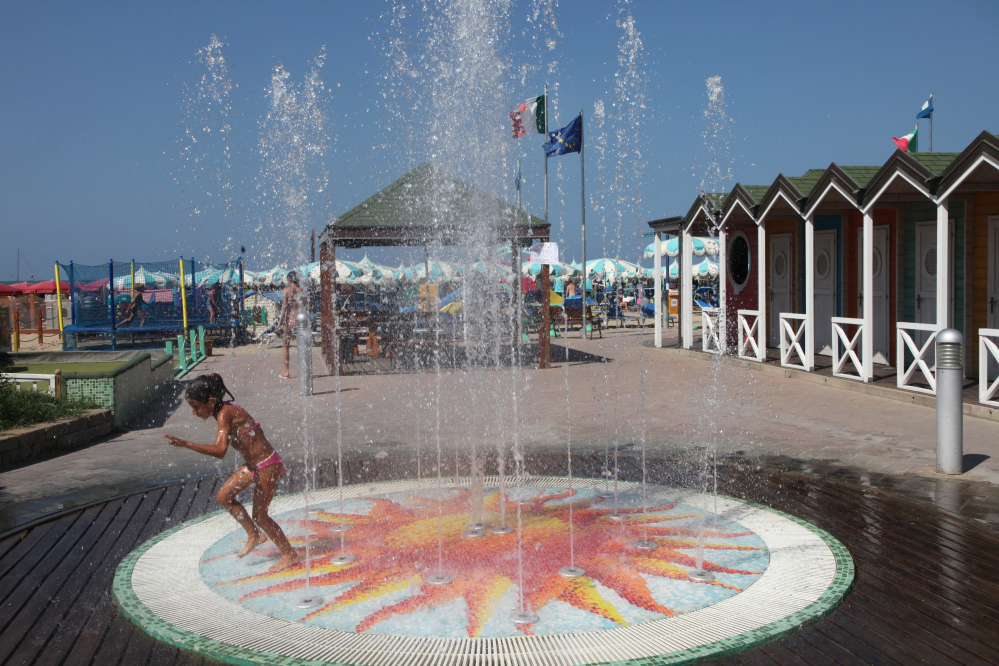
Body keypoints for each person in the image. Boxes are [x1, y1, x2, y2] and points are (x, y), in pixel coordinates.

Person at [165, 373, 300, 571]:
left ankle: (290, 554)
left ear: (211, 401)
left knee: (261, 515)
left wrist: (187, 444)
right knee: (224, 496)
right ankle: (254, 534)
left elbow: (220, 451)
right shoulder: (221, 412)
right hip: (255, 465)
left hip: (267, 466)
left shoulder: (224, 414)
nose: (194, 412)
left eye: (196, 407)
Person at [279, 272, 303, 379]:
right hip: (299, 321)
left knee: (285, 346)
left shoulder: (286, 291)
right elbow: (305, 306)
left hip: (289, 322)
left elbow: (284, 308)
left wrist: (279, 323)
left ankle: (286, 371)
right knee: (301, 346)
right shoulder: (301, 291)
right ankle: (303, 371)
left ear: (289, 279)